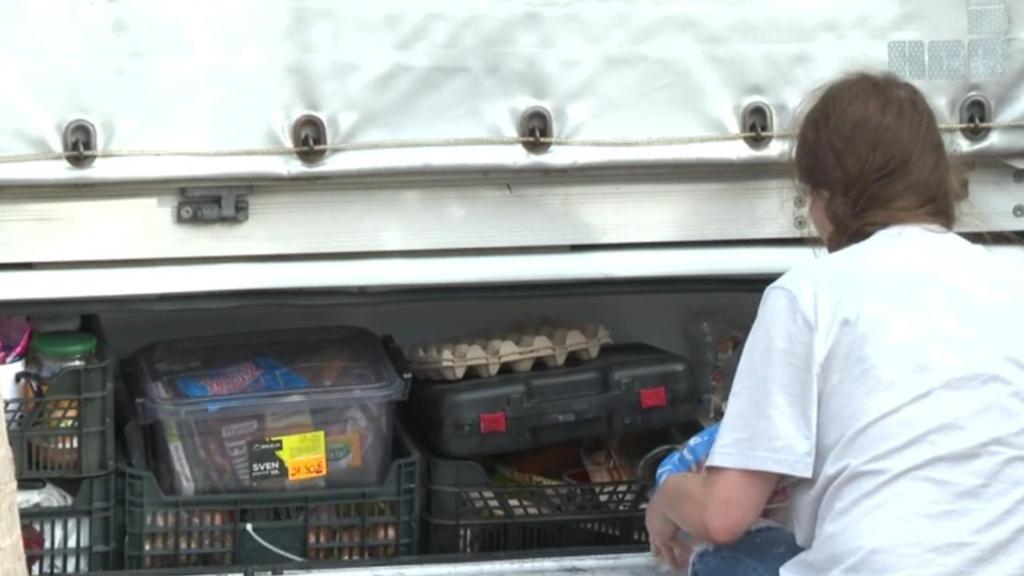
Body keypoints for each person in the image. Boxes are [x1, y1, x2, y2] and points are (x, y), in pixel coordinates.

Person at [645, 71, 1024, 575]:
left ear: (826, 194)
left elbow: (722, 515)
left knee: (722, 559)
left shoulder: (807, 294)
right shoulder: (1013, 281)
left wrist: (665, 499)